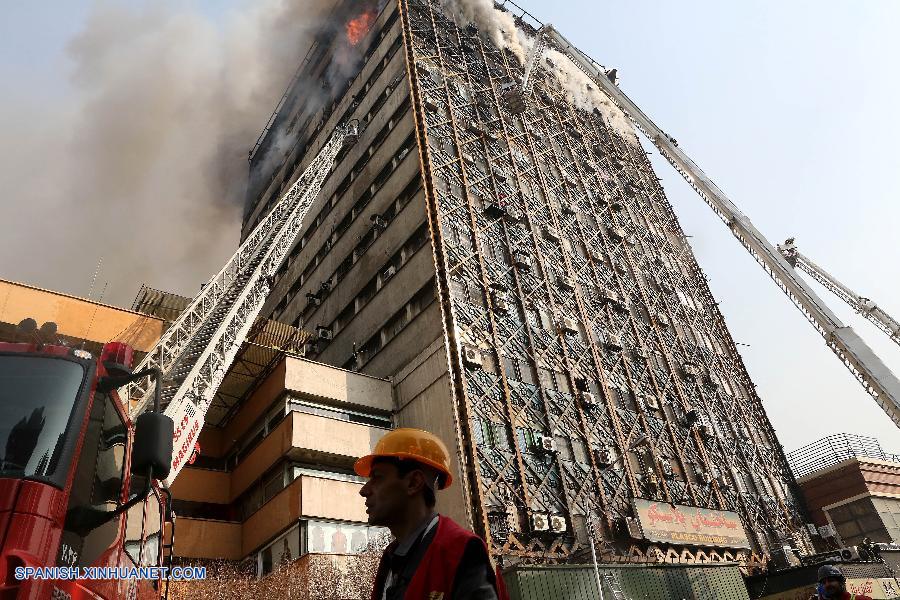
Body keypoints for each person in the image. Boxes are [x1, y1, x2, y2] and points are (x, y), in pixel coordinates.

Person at [355, 428, 508, 600]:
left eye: (377, 477)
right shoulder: (391, 558)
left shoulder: (462, 550)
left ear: (413, 482)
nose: (364, 490)